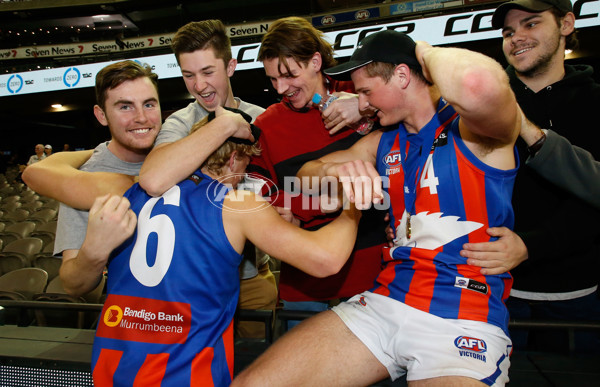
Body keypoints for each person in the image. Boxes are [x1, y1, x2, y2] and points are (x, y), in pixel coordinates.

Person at [233, 30, 521, 386]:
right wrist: (337, 170)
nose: (362, 102)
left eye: (366, 92)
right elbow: (309, 176)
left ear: (402, 76)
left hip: (462, 313)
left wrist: (421, 51)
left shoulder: (477, 133)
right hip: (386, 299)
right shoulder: (384, 140)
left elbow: (478, 83)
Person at [40, 110, 361, 385]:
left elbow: (44, 174)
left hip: (114, 367)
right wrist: (353, 209)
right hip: (186, 373)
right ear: (235, 158)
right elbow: (325, 260)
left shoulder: (128, 188)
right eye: (245, 167)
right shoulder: (236, 204)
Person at [462, 0, 600, 353]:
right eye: (509, 32)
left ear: (566, 24)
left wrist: (530, 246)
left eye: (531, 24)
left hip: (579, 297)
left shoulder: (593, 102)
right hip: (494, 291)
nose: (516, 38)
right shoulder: (476, 101)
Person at [137, 19, 276, 339]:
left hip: (252, 279)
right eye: (188, 75)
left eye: (207, 72)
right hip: (195, 283)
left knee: (254, 367)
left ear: (230, 66)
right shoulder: (180, 124)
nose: (198, 85)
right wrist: (225, 125)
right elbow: (154, 180)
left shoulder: (262, 119)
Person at [247, 16, 387, 325]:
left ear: (315, 61)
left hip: (374, 277)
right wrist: (299, 206)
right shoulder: (266, 126)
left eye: (289, 75)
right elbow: (257, 193)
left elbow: (421, 118)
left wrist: (364, 106)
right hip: (305, 285)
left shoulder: (364, 93)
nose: (281, 88)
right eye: (272, 79)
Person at [22, 60, 161, 273]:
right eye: (125, 106)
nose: (141, 117)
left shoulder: (182, 154)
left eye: (149, 104)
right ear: (101, 115)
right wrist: (94, 252)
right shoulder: (83, 178)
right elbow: (73, 284)